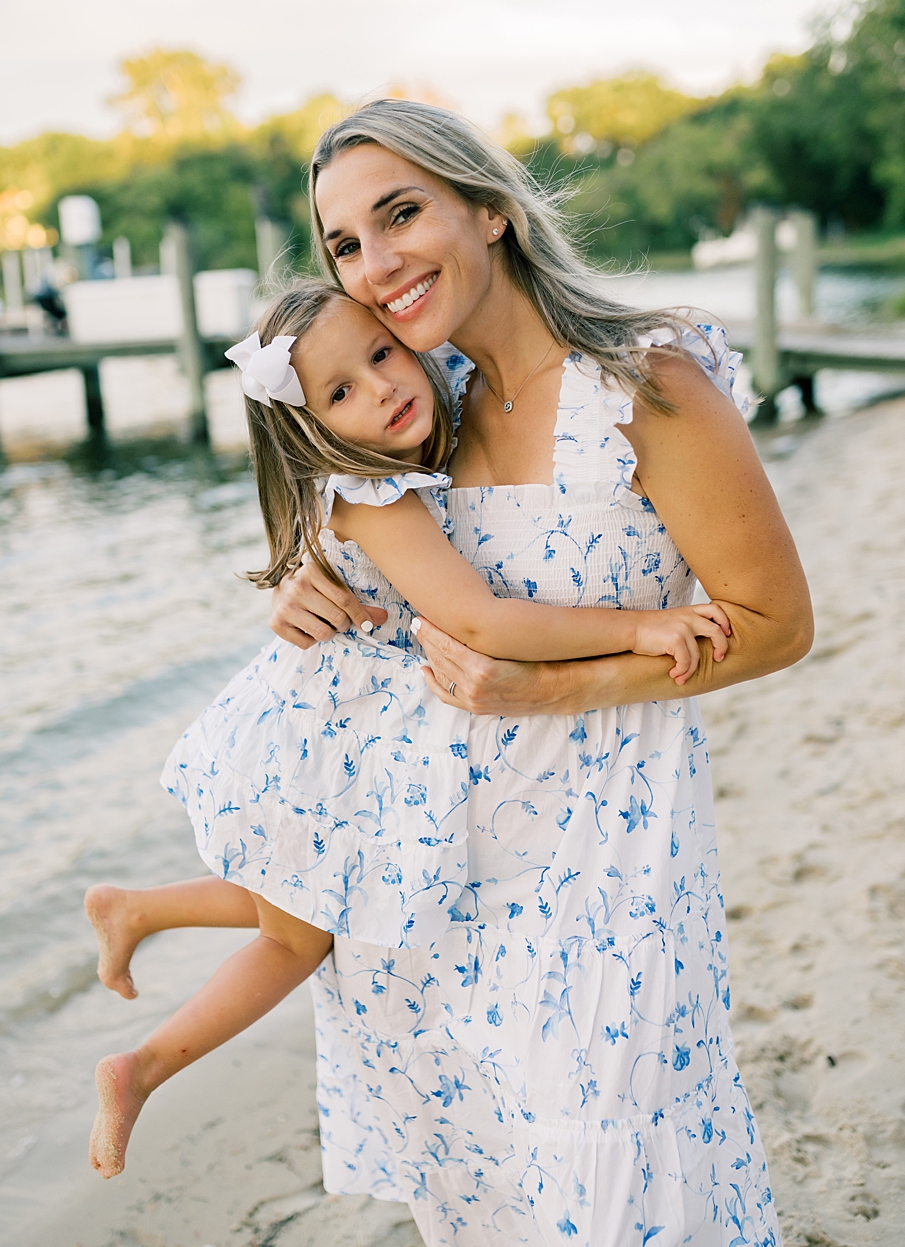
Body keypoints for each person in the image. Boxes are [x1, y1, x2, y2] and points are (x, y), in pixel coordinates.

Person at [92, 99, 810, 1245]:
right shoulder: (421, 414)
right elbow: (393, 591)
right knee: (492, 1189)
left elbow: (773, 622)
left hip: (606, 871)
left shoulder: (645, 382)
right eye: (341, 245)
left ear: (486, 207)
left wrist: (567, 684)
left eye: (399, 213)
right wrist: (301, 587)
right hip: (436, 891)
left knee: (623, 1172)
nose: (374, 266)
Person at [88, 281, 734, 1180]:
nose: (381, 389)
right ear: (310, 427)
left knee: (308, 915)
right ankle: (142, 1062)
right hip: (329, 744)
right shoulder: (369, 492)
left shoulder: (412, 450)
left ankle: (138, 914)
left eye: (382, 355)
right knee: (299, 935)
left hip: (346, 734)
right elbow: (485, 621)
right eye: (340, 393)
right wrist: (638, 625)